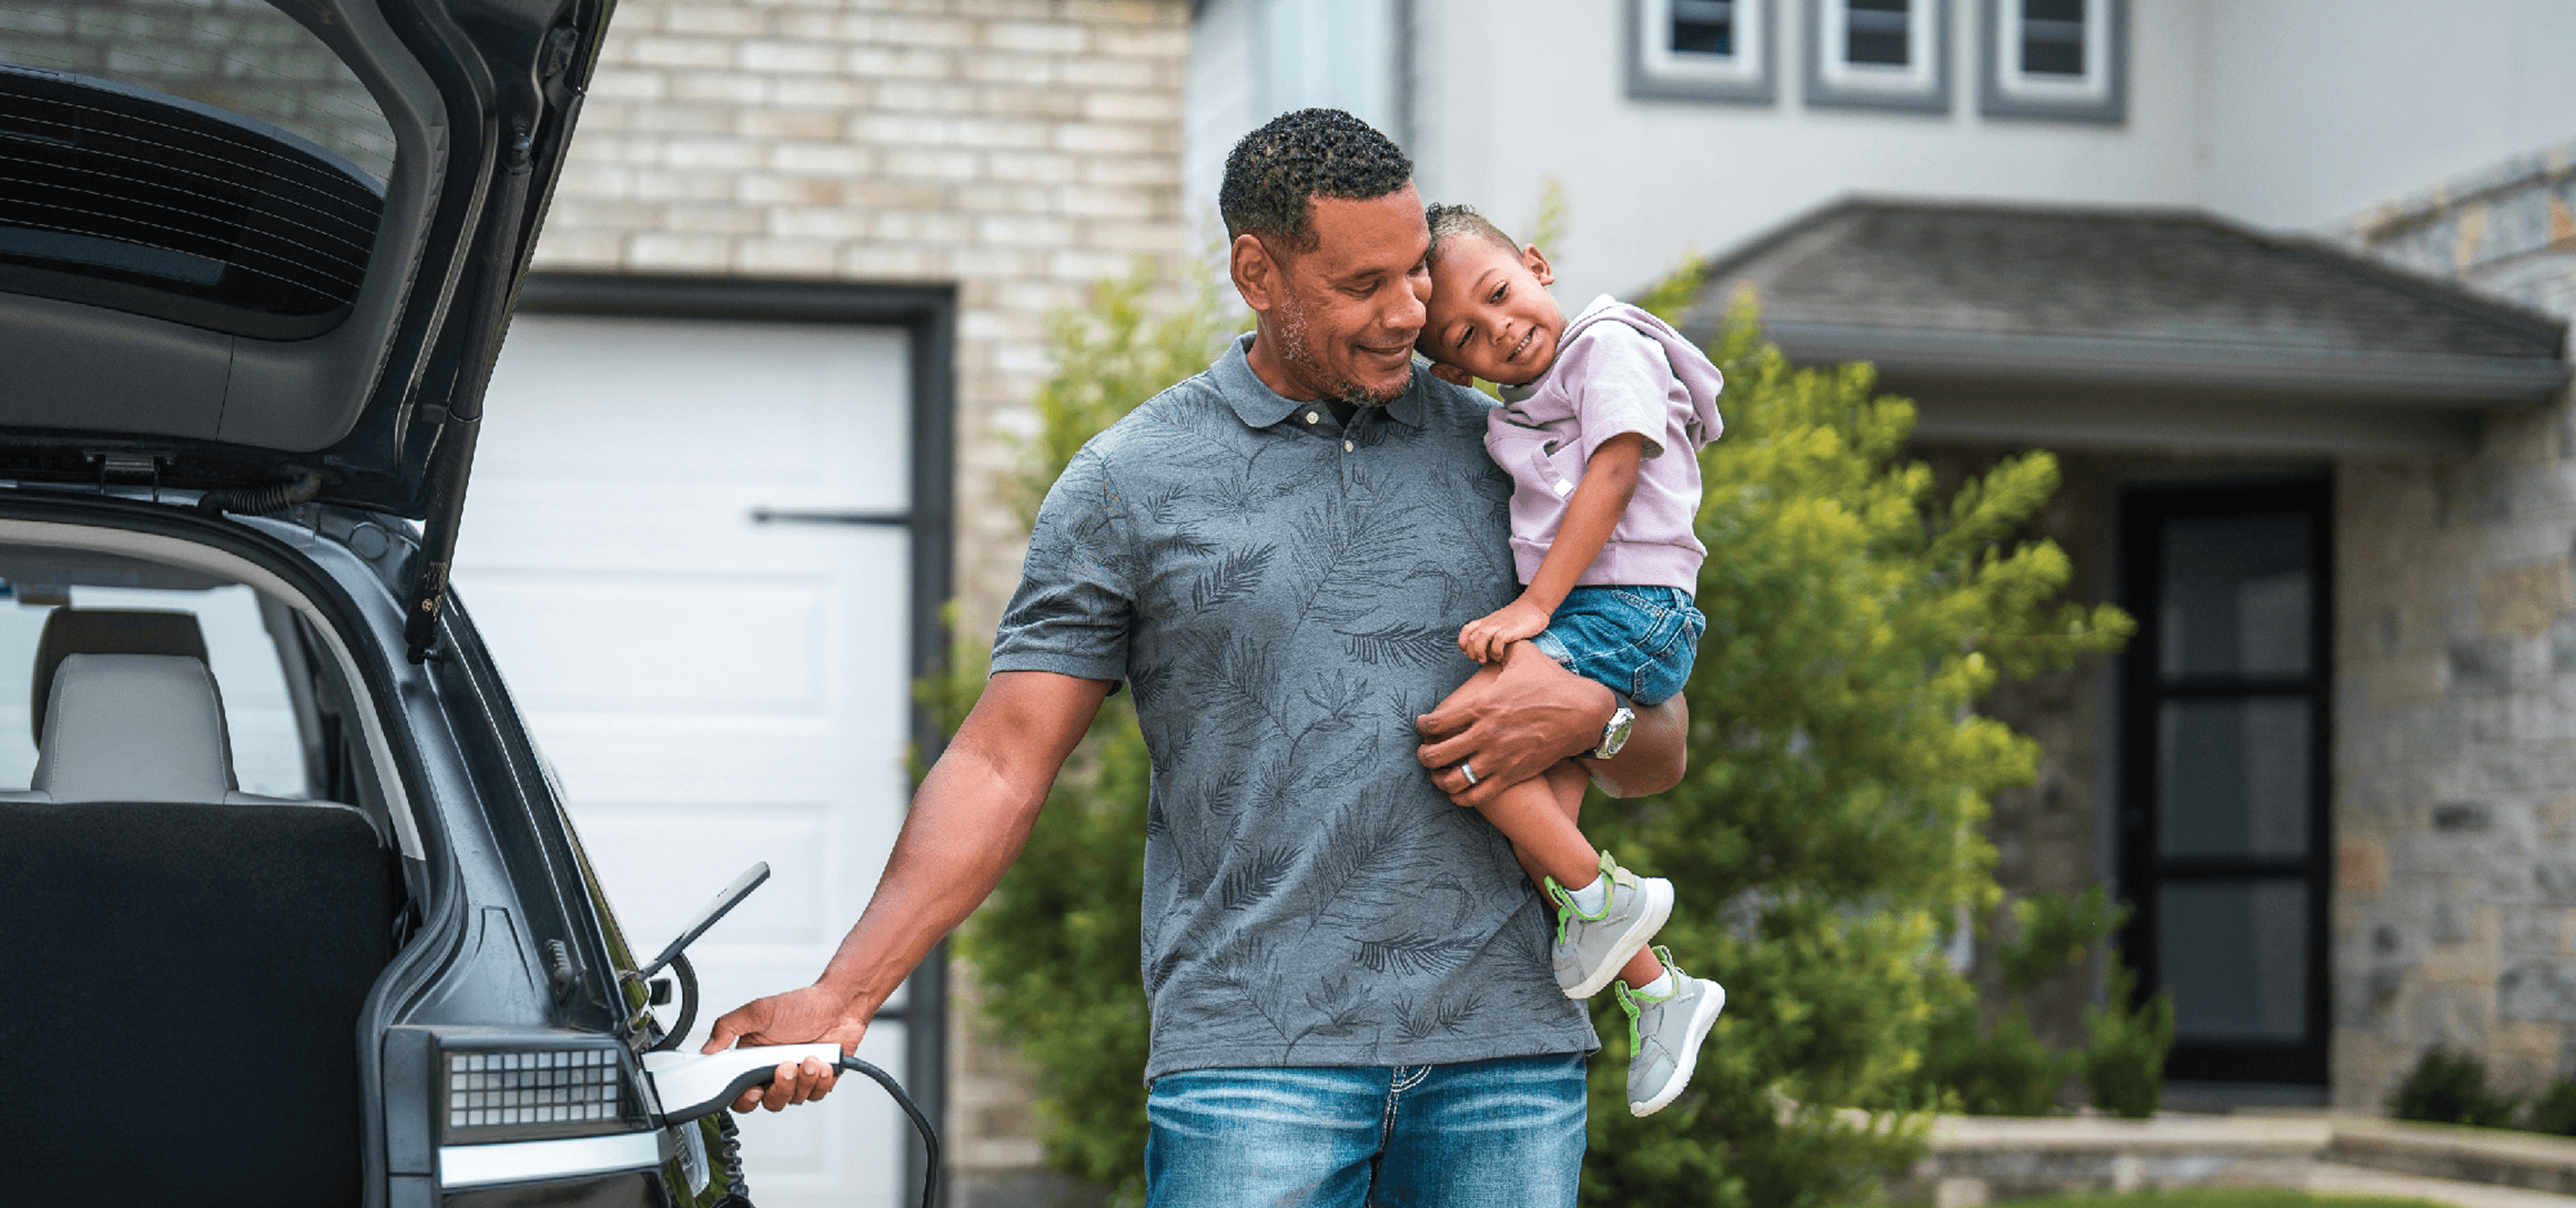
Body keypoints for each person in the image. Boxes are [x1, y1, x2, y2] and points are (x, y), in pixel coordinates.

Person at [696, 108, 1687, 1208]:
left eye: (1417, 272)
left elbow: (1659, 744)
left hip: (1508, 1055)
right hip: (1253, 1064)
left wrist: (1581, 717)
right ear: (1258, 273)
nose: (1411, 314)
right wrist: (846, 989)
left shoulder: (1512, 444)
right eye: (1365, 286)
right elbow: (1001, 761)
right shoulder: (1133, 481)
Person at [1410, 202, 1729, 1118]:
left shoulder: (1605, 346)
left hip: (1624, 608)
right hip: (1607, 610)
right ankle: (1660, 992)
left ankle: (1608, 896)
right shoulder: (1517, 407)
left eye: (1501, 294)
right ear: (1448, 366)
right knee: (1538, 839)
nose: (1501, 329)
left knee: (1463, 743)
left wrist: (1534, 606)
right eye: (1469, 332)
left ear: (1538, 267)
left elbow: (1617, 467)